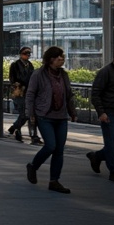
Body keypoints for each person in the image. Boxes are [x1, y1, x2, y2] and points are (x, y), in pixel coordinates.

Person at [25, 46, 78, 193]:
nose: (61, 59)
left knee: (59, 150)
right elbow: (30, 95)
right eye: (58, 57)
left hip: (61, 117)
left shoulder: (64, 75)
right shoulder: (38, 74)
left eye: (62, 57)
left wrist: (72, 111)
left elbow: (69, 95)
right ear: (50, 60)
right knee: (50, 146)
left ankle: (54, 181)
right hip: (44, 116)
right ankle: (33, 166)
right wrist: (31, 114)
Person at [85, 43, 114, 184]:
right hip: (109, 113)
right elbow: (95, 93)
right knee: (111, 144)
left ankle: (97, 156)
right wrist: (101, 112)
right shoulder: (105, 72)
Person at [6, 47, 40, 144]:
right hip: (19, 92)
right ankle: (17, 129)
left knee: (27, 114)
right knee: (25, 113)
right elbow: (12, 79)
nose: (28, 55)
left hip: (28, 92)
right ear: (21, 54)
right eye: (26, 53)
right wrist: (20, 85)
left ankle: (15, 128)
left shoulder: (30, 65)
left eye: (29, 53)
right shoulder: (15, 65)